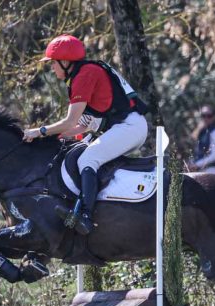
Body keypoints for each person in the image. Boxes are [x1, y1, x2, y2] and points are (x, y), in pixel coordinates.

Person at [22, 35, 149, 236]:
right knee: (79, 152)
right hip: (123, 126)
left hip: (130, 127)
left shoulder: (85, 75)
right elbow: (80, 127)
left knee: (88, 158)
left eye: (53, 63)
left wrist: (40, 131)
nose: (52, 69)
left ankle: (85, 215)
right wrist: (52, 138)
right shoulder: (83, 74)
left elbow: (69, 122)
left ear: (65, 62)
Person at [188, 105, 215, 174]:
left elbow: (214, 155)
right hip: (198, 171)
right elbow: (195, 149)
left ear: (214, 117)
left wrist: (197, 164)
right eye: (203, 116)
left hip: (210, 170)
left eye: (209, 116)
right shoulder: (201, 131)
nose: (206, 118)